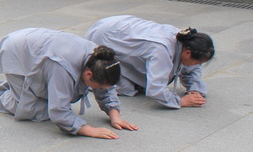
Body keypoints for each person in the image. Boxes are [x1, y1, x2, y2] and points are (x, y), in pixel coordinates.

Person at [0, 28, 139, 139]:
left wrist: (114, 115)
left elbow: (106, 88)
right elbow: (58, 112)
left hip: (39, 47)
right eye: (97, 87)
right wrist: (87, 129)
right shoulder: (62, 67)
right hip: (17, 50)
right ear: (89, 74)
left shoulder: (101, 58)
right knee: (35, 111)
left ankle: (18, 88)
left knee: (49, 98)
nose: (99, 90)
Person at [84, 15, 214, 109]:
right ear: (187, 53)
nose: (197, 66)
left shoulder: (186, 41)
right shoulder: (161, 49)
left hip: (121, 27)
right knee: (119, 84)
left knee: (137, 81)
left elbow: (193, 68)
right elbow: (155, 89)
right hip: (106, 33)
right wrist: (180, 101)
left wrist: (195, 89)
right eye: (198, 62)